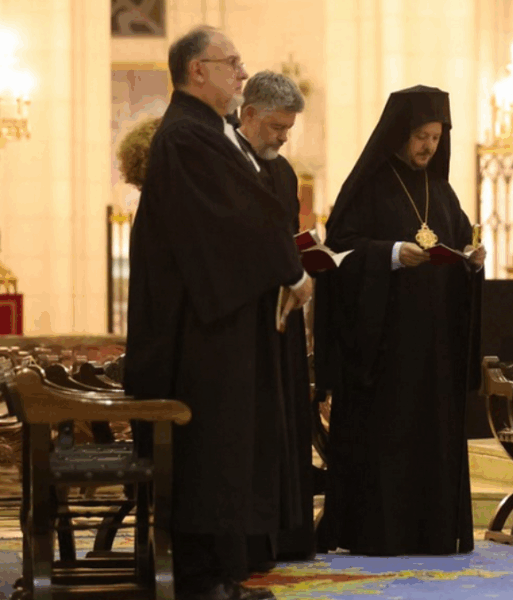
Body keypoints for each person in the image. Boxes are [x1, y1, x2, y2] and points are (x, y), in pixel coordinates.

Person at [124, 26, 312, 600]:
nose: (241, 71)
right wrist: (292, 272)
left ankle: (221, 572)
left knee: (227, 445)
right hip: (199, 332)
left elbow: (250, 211)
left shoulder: (203, 133)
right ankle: (203, 579)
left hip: (219, 322)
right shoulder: (187, 136)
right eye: (231, 62)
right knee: (212, 447)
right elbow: (237, 222)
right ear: (196, 70)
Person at [313, 85, 485, 556]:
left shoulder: (442, 191)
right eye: (420, 136)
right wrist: (389, 254)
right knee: (385, 442)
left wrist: (472, 260)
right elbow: (338, 252)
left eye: (435, 136)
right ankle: (377, 533)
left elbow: (459, 238)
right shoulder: (367, 186)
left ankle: (432, 531)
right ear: (397, 135)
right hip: (382, 347)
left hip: (435, 349)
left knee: (432, 437)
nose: (428, 146)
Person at [233, 70, 317, 564]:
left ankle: (287, 532)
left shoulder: (284, 172)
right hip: (246, 317)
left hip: (283, 316)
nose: (283, 137)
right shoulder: (228, 165)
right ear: (248, 114)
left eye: (288, 128)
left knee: (286, 422)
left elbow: (285, 234)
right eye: (275, 127)